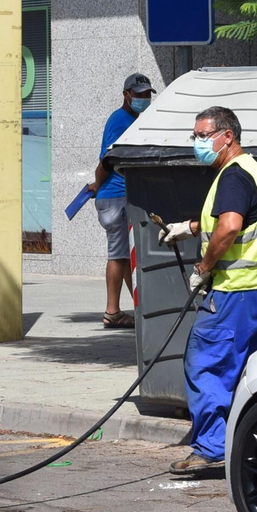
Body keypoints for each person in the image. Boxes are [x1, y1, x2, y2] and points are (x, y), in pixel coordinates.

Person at [157, 106, 257, 476]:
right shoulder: (254, 170)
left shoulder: (233, 176)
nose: (197, 143)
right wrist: (187, 227)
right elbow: (234, 217)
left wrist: (204, 269)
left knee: (206, 363)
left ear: (227, 136)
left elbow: (230, 226)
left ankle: (213, 447)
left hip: (238, 290)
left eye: (203, 136)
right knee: (252, 367)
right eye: (195, 136)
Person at [86, 73, 153, 328]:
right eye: (139, 94)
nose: (144, 98)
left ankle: (137, 305)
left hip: (117, 195)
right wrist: (98, 183)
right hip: (115, 196)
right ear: (127, 95)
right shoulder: (121, 120)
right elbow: (107, 160)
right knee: (117, 255)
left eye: (147, 94)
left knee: (125, 254)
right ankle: (112, 311)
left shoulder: (132, 118)